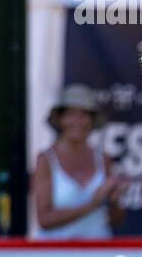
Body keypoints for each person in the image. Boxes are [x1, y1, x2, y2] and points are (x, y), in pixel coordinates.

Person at [32, 84, 124, 238]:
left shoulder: (103, 159)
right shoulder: (46, 160)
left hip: (97, 254)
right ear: (60, 119)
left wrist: (114, 201)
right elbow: (44, 220)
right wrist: (92, 204)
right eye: (71, 113)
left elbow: (117, 219)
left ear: (92, 120)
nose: (78, 121)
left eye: (84, 114)